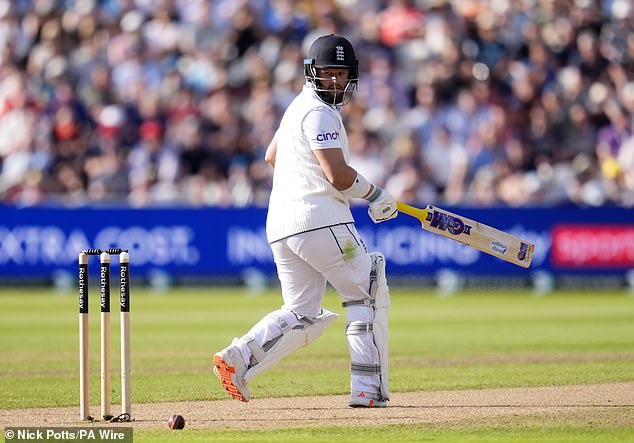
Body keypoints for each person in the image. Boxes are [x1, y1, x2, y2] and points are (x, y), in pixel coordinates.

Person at [213, 34, 398, 408]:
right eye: (327, 73)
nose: (334, 81)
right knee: (366, 292)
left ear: (352, 76)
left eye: (341, 74)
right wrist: (376, 195)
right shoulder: (318, 112)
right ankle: (367, 390)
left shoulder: (296, 107)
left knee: (301, 312)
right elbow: (338, 176)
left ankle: (238, 357)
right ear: (312, 73)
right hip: (321, 219)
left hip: (282, 224)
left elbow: (270, 156)